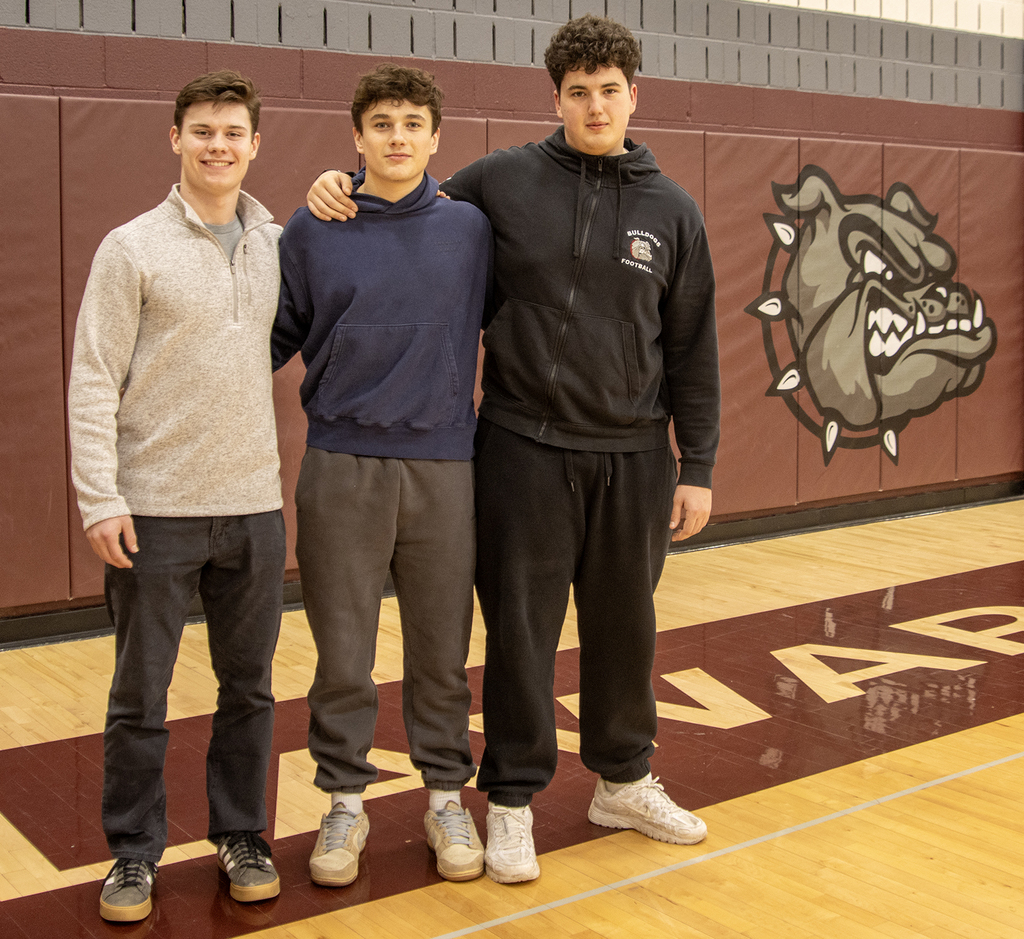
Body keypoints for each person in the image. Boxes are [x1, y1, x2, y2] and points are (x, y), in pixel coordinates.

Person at [306, 14, 720, 884]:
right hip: (523, 445)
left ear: (634, 97)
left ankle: (623, 778)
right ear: (557, 99)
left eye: (611, 90)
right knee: (521, 636)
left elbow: (692, 347)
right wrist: (335, 187)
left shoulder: (673, 209)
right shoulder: (501, 180)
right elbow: (404, 197)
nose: (596, 105)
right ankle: (514, 802)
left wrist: (701, 466)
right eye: (579, 92)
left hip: (636, 455)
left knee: (624, 628)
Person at [68, 70, 286, 922]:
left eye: (233, 132)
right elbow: (93, 380)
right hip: (153, 509)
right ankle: (132, 851)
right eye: (202, 131)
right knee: (140, 694)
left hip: (254, 508)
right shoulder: (131, 248)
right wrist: (100, 496)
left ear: (255, 144)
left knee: (251, 688)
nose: (218, 146)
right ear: (175, 139)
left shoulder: (275, 241)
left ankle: (242, 832)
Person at [272, 64, 492, 887]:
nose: (398, 137)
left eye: (413, 123)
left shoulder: (472, 227)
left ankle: (444, 797)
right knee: (343, 655)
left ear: (437, 138)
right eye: (382, 123)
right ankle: (343, 802)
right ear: (356, 135)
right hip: (340, 466)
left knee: (441, 653)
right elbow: (271, 337)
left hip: (445, 466)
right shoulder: (312, 226)